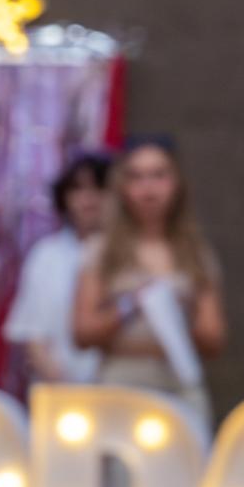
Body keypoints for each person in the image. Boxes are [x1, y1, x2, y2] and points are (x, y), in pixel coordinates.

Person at [73, 136, 226, 424]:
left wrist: (179, 311)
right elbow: (82, 333)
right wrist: (131, 305)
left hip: (179, 383)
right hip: (120, 384)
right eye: (137, 177)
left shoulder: (196, 254)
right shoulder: (101, 251)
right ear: (123, 186)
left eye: (159, 175)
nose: (148, 188)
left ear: (176, 183)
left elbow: (214, 340)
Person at [3, 152, 110, 386]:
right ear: (65, 197)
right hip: (59, 394)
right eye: (78, 189)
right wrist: (64, 387)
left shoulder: (133, 255)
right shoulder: (46, 255)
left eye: (99, 188)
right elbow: (33, 334)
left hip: (122, 391)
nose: (88, 199)